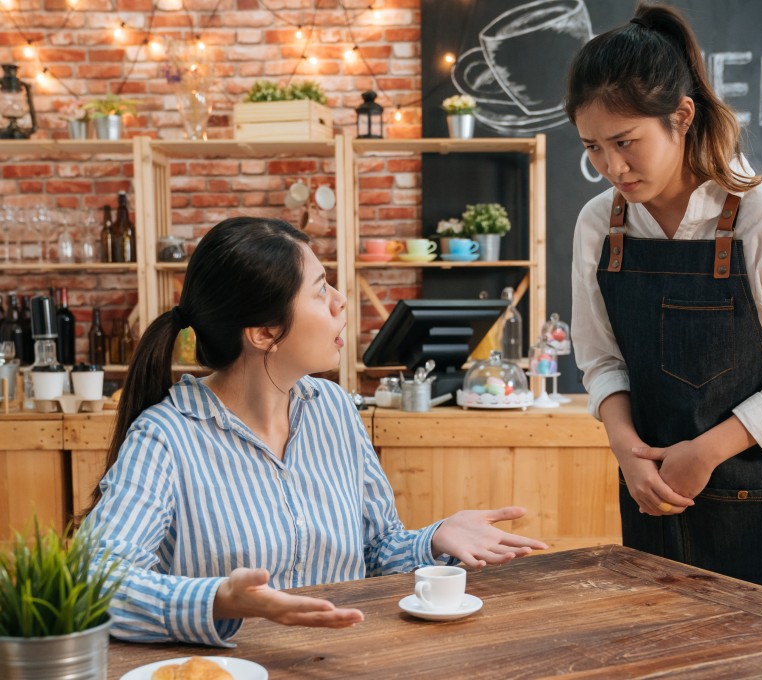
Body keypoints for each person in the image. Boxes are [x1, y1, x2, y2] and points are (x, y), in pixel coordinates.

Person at [83, 217, 548, 646]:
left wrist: (435, 538)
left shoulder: (335, 411)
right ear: (265, 333)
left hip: (346, 660)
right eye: (320, 289)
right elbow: (92, 582)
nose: (340, 300)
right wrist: (218, 601)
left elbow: (377, 550)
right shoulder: (166, 436)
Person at [565, 2, 762, 606]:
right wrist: (625, 448)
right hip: (655, 495)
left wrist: (706, 452)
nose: (611, 167)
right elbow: (601, 359)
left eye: (625, 141)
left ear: (682, 115)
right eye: (592, 148)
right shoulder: (600, 225)